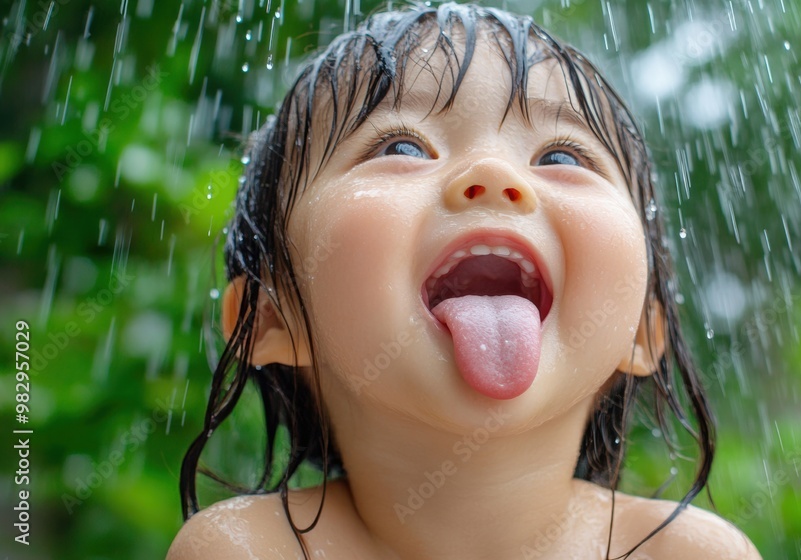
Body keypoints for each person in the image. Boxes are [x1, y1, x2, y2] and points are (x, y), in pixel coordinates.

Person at [167, 3, 760, 559]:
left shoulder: (682, 552)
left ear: (638, 327)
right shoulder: (251, 549)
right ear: (271, 315)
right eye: (402, 145)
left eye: (561, 157)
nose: (494, 175)